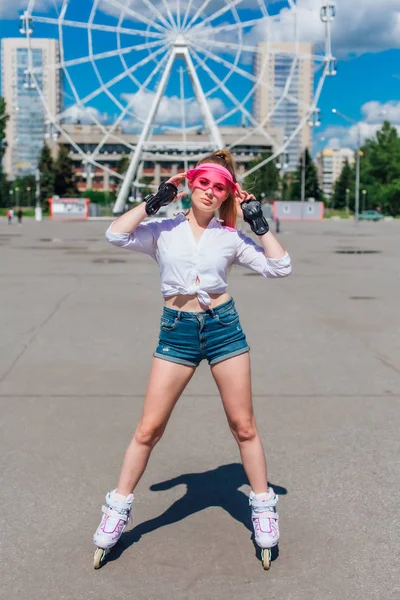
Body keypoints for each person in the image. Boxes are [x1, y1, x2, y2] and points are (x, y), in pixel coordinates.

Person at [93, 150, 292, 568]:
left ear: (226, 195)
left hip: (223, 329)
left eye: (220, 187)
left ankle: (263, 509)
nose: (209, 191)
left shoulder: (231, 237)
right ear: (191, 183)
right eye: (203, 182)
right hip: (177, 332)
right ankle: (117, 509)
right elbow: (116, 234)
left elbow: (280, 266)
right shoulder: (162, 230)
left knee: (244, 426)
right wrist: (157, 199)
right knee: (149, 428)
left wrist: (257, 221)